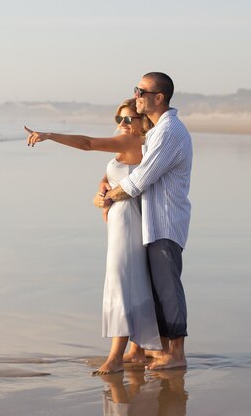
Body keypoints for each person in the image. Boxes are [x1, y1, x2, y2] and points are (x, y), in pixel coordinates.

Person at [25, 98, 162, 375]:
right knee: (131, 281)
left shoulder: (131, 142)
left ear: (141, 124)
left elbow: (87, 143)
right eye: (118, 120)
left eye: (128, 120)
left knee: (121, 283)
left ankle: (115, 357)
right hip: (121, 221)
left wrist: (50, 135)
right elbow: (111, 176)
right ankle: (135, 351)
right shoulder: (129, 145)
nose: (122, 125)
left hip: (126, 223)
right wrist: (101, 190)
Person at [101, 72, 192, 370]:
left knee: (168, 289)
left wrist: (111, 195)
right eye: (136, 90)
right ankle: (162, 350)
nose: (136, 95)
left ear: (159, 97)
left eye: (141, 91)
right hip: (151, 223)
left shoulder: (168, 132)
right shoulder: (157, 132)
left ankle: (176, 354)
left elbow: (140, 180)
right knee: (156, 290)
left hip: (165, 222)